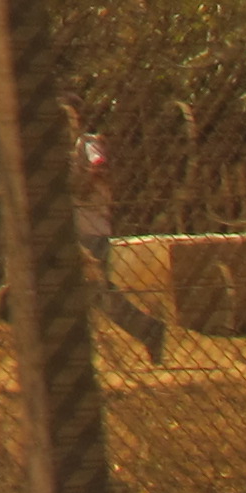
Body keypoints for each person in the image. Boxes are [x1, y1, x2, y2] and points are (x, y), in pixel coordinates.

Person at [66, 103, 167, 367]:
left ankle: (148, 328)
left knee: (102, 295)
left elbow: (99, 167)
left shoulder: (87, 143)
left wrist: (77, 184)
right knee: (87, 295)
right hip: (72, 231)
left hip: (91, 231)